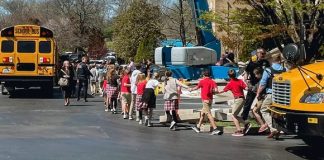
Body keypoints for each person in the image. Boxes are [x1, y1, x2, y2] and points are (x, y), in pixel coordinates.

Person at [256, 53, 286, 139]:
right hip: (283, 95)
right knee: (279, 112)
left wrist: (258, 93)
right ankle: (280, 129)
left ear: (272, 60)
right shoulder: (285, 70)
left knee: (264, 110)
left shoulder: (268, 70)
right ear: (280, 60)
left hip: (272, 94)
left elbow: (263, 84)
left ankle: (273, 129)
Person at [217, 69, 250, 136]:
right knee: (235, 115)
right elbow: (246, 88)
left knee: (233, 115)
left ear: (229, 76)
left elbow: (223, 91)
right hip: (242, 99)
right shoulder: (240, 81)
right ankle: (245, 124)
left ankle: (239, 130)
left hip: (238, 100)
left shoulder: (230, 83)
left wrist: (214, 93)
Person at [189, 71, 223, 135]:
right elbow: (216, 90)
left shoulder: (202, 81)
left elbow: (197, 87)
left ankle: (215, 128)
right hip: (210, 99)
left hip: (205, 100)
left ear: (204, 75)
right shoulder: (212, 81)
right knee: (203, 113)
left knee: (208, 114)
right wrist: (212, 92)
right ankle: (198, 127)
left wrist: (191, 89)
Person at [241, 48, 270, 121]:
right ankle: (244, 118)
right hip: (253, 85)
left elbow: (270, 71)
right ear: (257, 54)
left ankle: (262, 118)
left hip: (263, 85)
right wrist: (246, 80)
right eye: (262, 53)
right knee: (248, 102)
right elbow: (246, 71)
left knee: (262, 102)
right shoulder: (252, 63)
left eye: (264, 53)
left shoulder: (266, 62)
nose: (263, 55)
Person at [251, 67, 268, 133]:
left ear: (260, 74)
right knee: (259, 111)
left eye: (256, 74)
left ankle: (263, 125)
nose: (255, 76)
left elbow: (259, 88)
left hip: (262, 98)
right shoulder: (261, 80)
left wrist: (257, 92)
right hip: (261, 98)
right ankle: (264, 124)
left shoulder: (262, 80)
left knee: (255, 111)